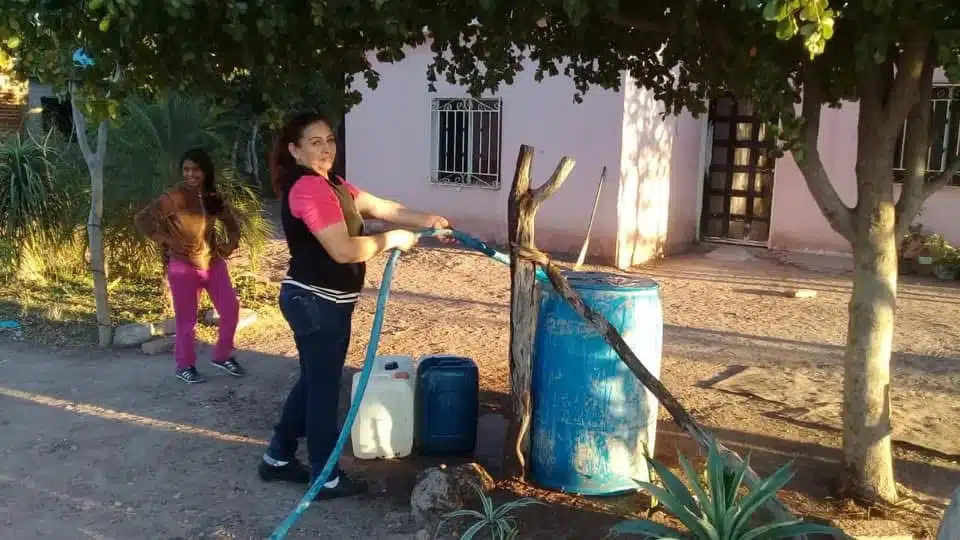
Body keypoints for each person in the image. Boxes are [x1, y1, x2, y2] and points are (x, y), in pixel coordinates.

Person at [257, 111, 452, 499]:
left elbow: (382, 207)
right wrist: (393, 239)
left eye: (329, 139)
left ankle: (277, 458)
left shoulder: (332, 183)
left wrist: (428, 219)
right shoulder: (308, 189)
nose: (327, 148)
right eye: (315, 142)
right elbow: (344, 250)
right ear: (294, 150)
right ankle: (324, 475)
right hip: (316, 303)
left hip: (320, 302)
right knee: (324, 389)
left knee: (314, 381)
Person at [134, 148, 245, 384]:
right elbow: (142, 219)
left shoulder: (213, 196)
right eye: (186, 169)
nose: (190, 174)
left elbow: (233, 225)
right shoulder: (173, 197)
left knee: (230, 310)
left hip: (213, 263)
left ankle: (222, 355)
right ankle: (184, 365)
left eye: (195, 169)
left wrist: (229, 245)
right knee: (187, 321)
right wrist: (165, 240)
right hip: (183, 267)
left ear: (205, 171)